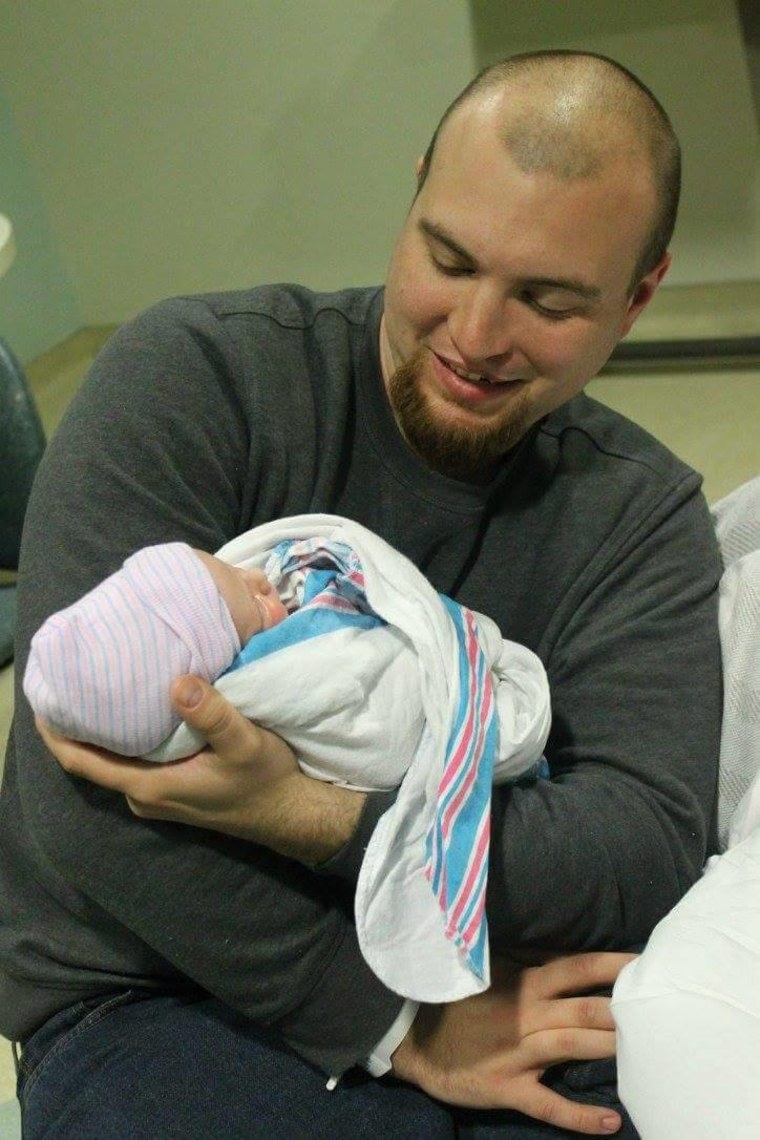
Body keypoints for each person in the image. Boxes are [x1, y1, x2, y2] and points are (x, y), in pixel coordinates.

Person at [0, 49, 723, 1139]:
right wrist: (393, 1021)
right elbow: (82, 799)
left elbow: (634, 849)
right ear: (418, 187)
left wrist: (307, 814)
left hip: (490, 974)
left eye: (547, 300)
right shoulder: (197, 380)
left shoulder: (639, 518)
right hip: (159, 985)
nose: (475, 337)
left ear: (638, 295)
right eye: (448, 258)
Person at [22, 516, 551, 1003]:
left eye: (230, 568)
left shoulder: (244, 606)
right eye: (250, 604)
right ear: (209, 668)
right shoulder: (271, 678)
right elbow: (374, 718)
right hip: (466, 725)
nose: (261, 582)